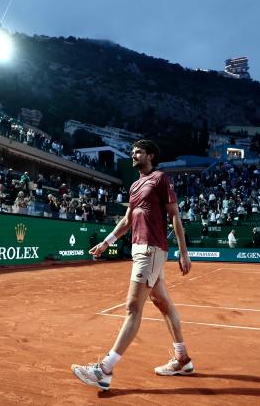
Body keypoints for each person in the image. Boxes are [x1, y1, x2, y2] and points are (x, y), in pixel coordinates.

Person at [71, 139, 193, 391]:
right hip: (140, 249)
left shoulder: (160, 179)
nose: (133, 155)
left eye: (137, 151)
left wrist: (183, 252)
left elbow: (174, 217)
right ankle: (182, 359)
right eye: (132, 152)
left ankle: (104, 370)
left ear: (150, 155)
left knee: (132, 308)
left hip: (151, 249)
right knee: (163, 304)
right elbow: (127, 220)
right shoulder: (135, 185)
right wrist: (106, 242)